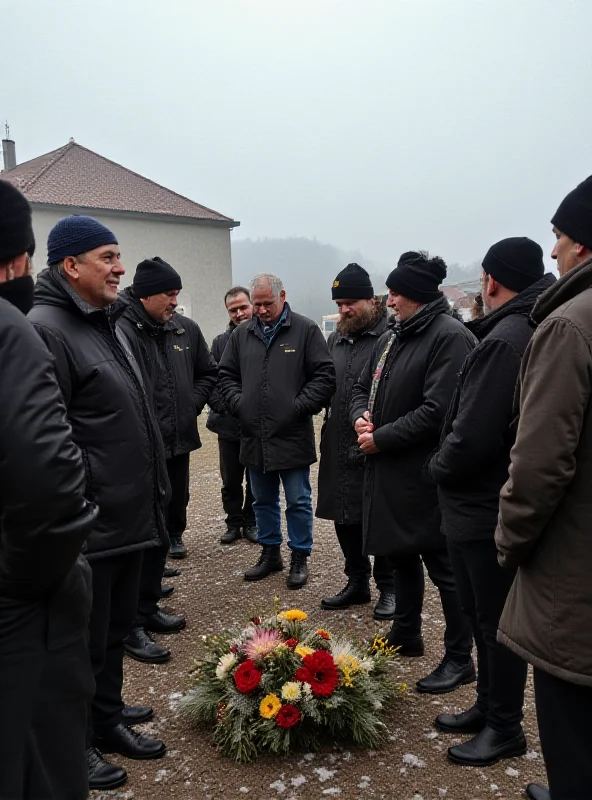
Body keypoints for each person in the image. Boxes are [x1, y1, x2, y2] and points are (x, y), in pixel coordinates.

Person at [28, 216, 170, 791]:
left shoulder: (108, 322)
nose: (120, 268)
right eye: (109, 257)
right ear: (71, 265)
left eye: (120, 257)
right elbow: (49, 438)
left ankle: (107, 719)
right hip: (91, 524)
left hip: (128, 517)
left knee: (112, 635)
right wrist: (85, 506)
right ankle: (76, 742)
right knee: (79, 647)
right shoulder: (47, 329)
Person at [427, 238, 555, 767]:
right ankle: (487, 707)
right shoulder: (519, 327)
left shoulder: (506, 337)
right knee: (482, 615)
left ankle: (504, 727)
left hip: (480, 505)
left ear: (492, 282)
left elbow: (473, 433)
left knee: (492, 620)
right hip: (479, 502)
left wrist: (438, 466)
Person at [495, 176, 592, 800]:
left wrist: (509, 538)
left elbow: (540, 464)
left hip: (576, 573)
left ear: (581, 244)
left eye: (558, 236)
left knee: (573, 730)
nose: (553, 251)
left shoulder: (568, 326)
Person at [0, 183, 98, 800]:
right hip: (19, 611)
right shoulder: (14, 331)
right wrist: (35, 579)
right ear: (16, 259)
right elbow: (48, 480)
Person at [350, 252, 475, 694]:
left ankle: (460, 657)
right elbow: (363, 387)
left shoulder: (449, 337)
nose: (389, 300)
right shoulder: (392, 335)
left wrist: (382, 437)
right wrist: (361, 416)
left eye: (396, 292)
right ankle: (406, 634)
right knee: (400, 554)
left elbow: (439, 410)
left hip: (427, 476)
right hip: (390, 473)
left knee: (445, 569)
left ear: (418, 296)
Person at [118, 257, 216, 663]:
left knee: (164, 525)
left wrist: (189, 407)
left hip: (176, 445)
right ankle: (129, 626)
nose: (175, 301)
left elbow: (208, 374)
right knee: (139, 534)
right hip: (139, 452)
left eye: (177, 293)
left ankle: (148, 606)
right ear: (145, 294)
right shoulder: (122, 329)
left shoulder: (184, 330)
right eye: (169, 294)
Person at [218, 273, 335, 588]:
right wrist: (240, 404)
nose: (259, 310)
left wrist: (297, 408)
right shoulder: (241, 335)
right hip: (254, 435)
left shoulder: (306, 330)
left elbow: (324, 377)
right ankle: (270, 552)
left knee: (297, 499)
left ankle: (299, 555)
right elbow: (226, 374)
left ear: (283, 296)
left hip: (292, 434)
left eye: (266, 303)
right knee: (261, 500)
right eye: (256, 304)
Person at [316, 263, 396, 620]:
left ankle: (389, 586)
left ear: (371, 299)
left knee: (378, 514)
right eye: (339, 303)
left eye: (351, 302)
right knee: (342, 513)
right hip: (336, 436)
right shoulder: (336, 338)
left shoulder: (391, 334)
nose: (344, 309)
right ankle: (356, 580)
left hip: (375, 438)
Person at [207, 286, 258, 544]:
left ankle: (251, 521)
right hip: (228, 424)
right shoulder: (220, 343)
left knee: (255, 478)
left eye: (242, 307)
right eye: (233, 310)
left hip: (257, 425)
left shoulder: (264, 337)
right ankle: (233, 522)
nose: (239, 313)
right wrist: (229, 407)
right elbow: (212, 381)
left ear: (252, 305)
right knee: (230, 479)